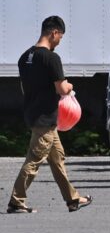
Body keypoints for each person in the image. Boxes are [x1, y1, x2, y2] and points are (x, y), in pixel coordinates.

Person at [7, 16, 92, 214]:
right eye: (60, 37)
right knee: (34, 160)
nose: (60, 41)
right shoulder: (51, 58)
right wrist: (70, 86)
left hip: (34, 114)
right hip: (45, 118)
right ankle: (16, 201)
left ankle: (72, 199)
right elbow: (62, 89)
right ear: (54, 33)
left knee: (57, 158)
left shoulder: (25, 57)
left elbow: (24, 87)